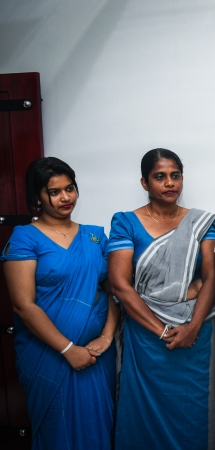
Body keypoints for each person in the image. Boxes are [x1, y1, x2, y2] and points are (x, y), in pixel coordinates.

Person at [1, 157, 119, 449]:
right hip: (49, 355)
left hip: (95, 355)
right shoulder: (25, 238)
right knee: (57, 430)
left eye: (70, 188)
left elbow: (114, 291)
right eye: (54, 192)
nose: (66, 197)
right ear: (38, 197)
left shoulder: (95, 236)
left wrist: (107, 337)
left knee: (97, 426)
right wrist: (68, 350)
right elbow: (23, 305)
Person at [108, 148, 215, 450]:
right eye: (160, 177)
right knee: (142, 413)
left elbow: (211, 277)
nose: (170, 183)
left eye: (175, 175)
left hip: (194, 336)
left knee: (193, 414)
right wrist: (162, 330)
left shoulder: (202, 222)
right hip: (147, 337)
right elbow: (119, 285)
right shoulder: (126, 222)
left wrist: (193, 328)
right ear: (145, 183)